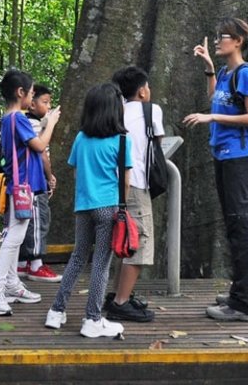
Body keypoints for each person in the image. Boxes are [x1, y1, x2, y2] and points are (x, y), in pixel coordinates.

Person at [182, 17, 248, 323]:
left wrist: (211, 119)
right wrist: (209, 68)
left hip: (239, 157)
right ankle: (242, 291)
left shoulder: (246, 73)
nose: (217, 41)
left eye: (223, 36)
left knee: (242, 226)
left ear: (238, 41)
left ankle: (245, 304)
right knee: (234, 226)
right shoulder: (227, 73)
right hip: (223, 155)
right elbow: (216, 99)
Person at [44, 82, 130, 338]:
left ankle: (56, 311)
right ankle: (92, 318)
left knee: (78, 257)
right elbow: (125, 181)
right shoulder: (121, 140)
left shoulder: (81, 138)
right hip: (108, 207)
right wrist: (123, 206)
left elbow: (76, 170)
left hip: (83, 206)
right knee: (101, 265)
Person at [0, 70, 60, 316]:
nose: (32, 97)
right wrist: (51, 123)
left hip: (21, 184)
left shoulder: (9, 119)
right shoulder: (18, 119)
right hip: (22, 186)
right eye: (32, 93)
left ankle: (12, 284)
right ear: (20, 92)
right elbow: (40, 145)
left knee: (16, 235)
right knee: (13, 238)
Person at [104, 66, 163, 323]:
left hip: (110, 184)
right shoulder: (152, 110)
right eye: (147, 86)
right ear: (141, 91)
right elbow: (157, 142)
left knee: (123, 237)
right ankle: (121, 302)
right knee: (138, 241)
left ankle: (117, 294)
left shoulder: (113, 112)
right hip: (136, 183)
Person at [17, 84, 62, 283]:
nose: (49, 106)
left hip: (25, 182)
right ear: (32, 104)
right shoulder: (32, 123)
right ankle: (36, 265)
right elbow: (42, 152)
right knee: (39, 221)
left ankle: (21, 264)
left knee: (26, 222)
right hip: (34, 181)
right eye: (45, 102)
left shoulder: (26, 122)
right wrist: (49, 176)